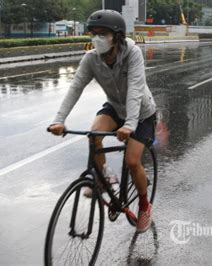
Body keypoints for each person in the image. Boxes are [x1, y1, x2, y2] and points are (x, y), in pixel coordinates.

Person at [47, 9, 157, 233]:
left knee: (133, 161)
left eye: (102, 34)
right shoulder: (91, 59)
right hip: (115, 108)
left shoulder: (133, 54)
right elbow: (75, 88)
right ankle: (104, 176)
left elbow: (135, 91)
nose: (97, 39)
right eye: (93, 34)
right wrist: (59, 120)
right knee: (93, 134)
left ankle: (145, 206)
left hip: (142, 113)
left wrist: (130, 125)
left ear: (116, 36)